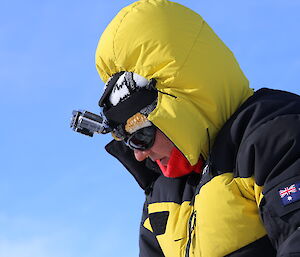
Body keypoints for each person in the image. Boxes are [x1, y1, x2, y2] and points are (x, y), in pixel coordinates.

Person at [94, 0, 300, 256]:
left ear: (175, 110)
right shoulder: (161, 195)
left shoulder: (274, 135)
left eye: (141, 136)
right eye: (127, 140)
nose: (139, 154)